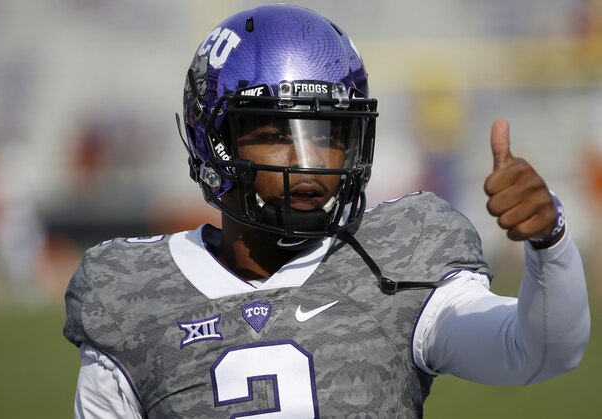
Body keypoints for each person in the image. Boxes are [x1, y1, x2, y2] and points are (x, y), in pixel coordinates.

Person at [63, 4, 590, 418]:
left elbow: (539, 350)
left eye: (331, 135)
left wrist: (551, 240)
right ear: (214, 141)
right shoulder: (132, 295)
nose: (310, 166)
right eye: (275, 135)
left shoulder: (395, 256)